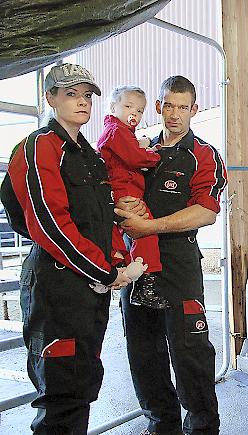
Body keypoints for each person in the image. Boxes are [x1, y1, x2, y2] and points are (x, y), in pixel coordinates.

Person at [0, 63, 132, 434]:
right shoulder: (39, 146)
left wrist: (116, 256)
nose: (82, 102)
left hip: (90, 284)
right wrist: (103, 271)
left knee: (83, 380)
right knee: (60, 390)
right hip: (57, 285)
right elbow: (49, 224)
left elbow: (102, 217)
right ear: (50, 97)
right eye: (71, 93)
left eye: (87, 95)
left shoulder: (88, 155)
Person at [115, 75, 227, 435]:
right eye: (168, 105)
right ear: (159, 106)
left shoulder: (204, 155)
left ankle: (203, 428)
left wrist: (150, 227)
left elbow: (206, 212)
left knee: (190, 355)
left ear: (194, 110)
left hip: (178, 264)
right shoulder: (139, 151)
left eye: (183, 107)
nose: (174, 114)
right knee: (144, 357)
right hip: (135, 267)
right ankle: (161, 428)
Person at [96, 85, 169, 309]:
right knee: (146, 232)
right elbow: (135, 157)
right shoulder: (116, 132)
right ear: (112, 107)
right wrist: (155, 155)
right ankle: (145, 285)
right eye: (128, 106)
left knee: (120, 236)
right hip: (125, 191)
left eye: (139, 110)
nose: (134, 114)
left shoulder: (122, 133)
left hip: (123, 190)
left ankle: (116, 268)